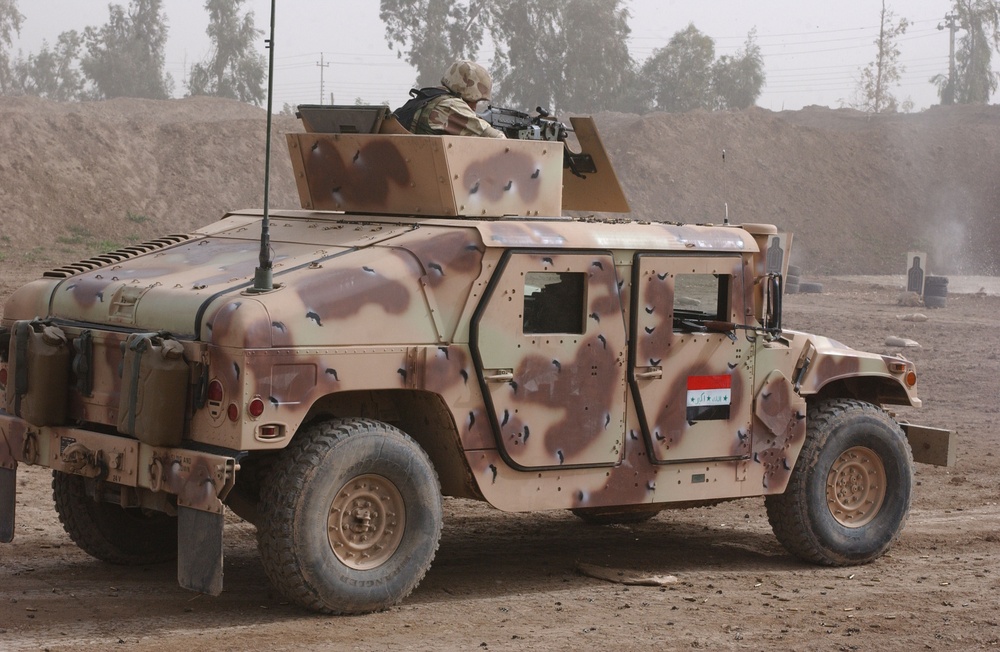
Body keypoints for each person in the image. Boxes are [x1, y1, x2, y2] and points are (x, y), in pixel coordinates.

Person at [393, 60, 506, 139]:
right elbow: (498, 140)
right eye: (475, 101)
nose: (475, 107)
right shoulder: (450, 106)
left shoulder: (428, 98)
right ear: (468, 93)